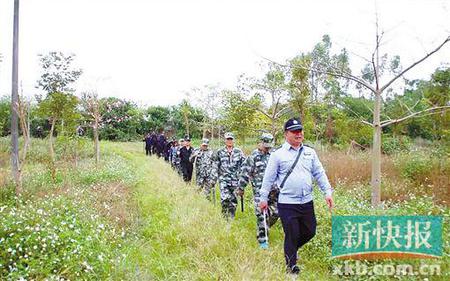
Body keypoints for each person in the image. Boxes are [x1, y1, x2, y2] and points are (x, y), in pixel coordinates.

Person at [259, 118, 333, 275]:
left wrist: (327, 191)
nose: (299, 134)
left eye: (300, 131)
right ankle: (291, 267)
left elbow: (319, 173)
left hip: (306, 201)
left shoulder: (309, 152)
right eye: (294, 131)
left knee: (310, 231)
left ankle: (291, 248)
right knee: (291, 233)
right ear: (286, 134)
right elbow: (268, 178)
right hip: (287, 203)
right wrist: (263, 198)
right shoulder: (278, 155)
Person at [237, 132, 279, 249]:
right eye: (265, 145)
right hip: (260, 192)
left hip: (274, 191)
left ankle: (264, 227)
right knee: (261, 216)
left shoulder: (274, 155)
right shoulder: (253, 157)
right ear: (260, 143)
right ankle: (263, 242)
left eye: (269, 145)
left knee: (276, 213)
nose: (267, 148)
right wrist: (241, 188)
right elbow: (245, 173)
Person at [211, 132, 246, 219]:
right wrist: (213, 178)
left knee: (233, 200)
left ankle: (231, 218)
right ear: (225, 140)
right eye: (228, 139)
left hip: (235, 180)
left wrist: (243, 179)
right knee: (225, 199)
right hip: (223, 180)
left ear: (233, 140)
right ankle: (224, 216)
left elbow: (244, 165)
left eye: (231, 139)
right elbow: (215, 165)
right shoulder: (219, 152)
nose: (229, 141)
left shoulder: (239, 152)